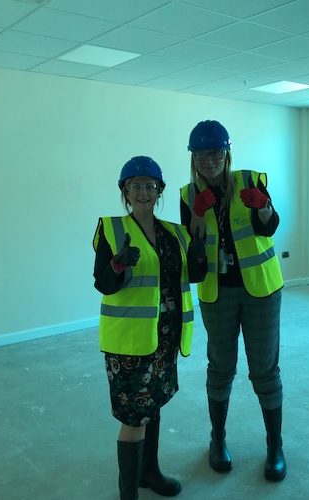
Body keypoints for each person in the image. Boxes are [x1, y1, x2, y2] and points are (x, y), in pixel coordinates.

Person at [93, 156, 206, 499]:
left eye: (150, 186)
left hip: (165, 337)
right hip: (129, 342)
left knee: (153, 405)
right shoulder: (111, 229)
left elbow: (194, 275)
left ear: (160, 191)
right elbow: (103, 283)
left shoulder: (174, 233)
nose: (143, 192)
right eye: (135, 186)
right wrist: (117, 265)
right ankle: (128, 493)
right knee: (133, 418)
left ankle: (149, 473)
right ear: (125, 192)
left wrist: (199, 249)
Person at [180, 120, 286, 481]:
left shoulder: (250, 180)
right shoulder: (187, 196)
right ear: (193, 159)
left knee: (265, 370)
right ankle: (218, 440)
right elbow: (192, 252)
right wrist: (197, 214)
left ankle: (275, 446)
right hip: (217, 293)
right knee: (221, 368)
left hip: (261, 291)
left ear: (227, 153)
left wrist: (263, 206)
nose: (209, 160)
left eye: (216, 153)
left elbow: (269, 226)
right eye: (201, 154)